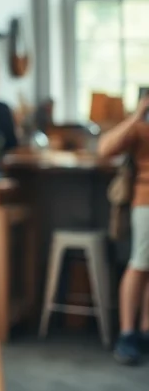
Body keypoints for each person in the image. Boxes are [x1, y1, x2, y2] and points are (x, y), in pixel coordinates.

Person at [99, 93, 149, 365]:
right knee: (140, 264)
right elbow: (105, 148)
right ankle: (128, 333)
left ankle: (144, 330)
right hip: (146, 201)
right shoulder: (140, 127)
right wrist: (137, 115)